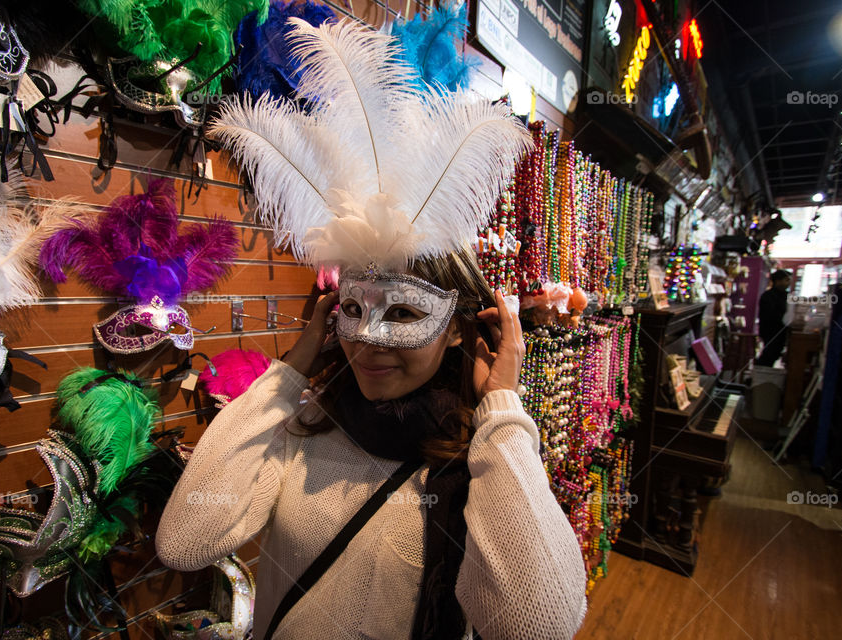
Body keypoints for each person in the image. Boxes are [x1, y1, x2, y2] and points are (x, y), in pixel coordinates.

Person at [155, 17, 587, 640]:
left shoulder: (486, 462)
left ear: (461, 328)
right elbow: (186, 541)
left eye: (407, 313)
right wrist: (287, 376)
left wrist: (502, 412)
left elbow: (538, 624)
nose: (368, 341)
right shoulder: (307, 424)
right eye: (353, 311)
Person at [755, 269, 791, 367]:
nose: (789, 283)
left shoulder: (786, 296)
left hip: (780, 332)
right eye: (786, 280)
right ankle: (758, 375)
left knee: (773, 355)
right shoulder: (768, 296)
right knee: (769, 355)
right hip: (770, 331)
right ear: (778, 281)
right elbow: (770, 315)